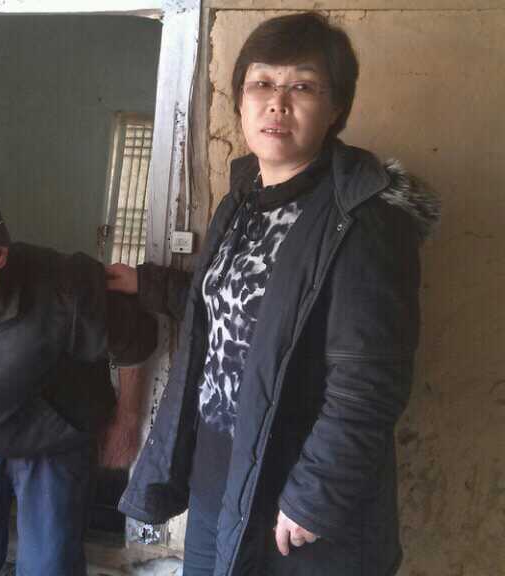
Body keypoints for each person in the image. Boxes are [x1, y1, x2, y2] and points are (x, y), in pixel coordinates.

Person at [111, 12, 439, 576]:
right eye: (261, 83)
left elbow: (369, 383)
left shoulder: (363, 221)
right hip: (220, 470)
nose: (277, 103)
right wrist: (149, 285)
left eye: (302, 87)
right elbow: (240, 310)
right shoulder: (241, 200)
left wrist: (315, 494)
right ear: (240, 100)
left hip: (292, 486)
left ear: (336, 108)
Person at [0, 167, 157, 576]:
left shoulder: (63, 288)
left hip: (53, 434)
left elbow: (136, 338)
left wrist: (126, 420)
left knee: (48, 564)